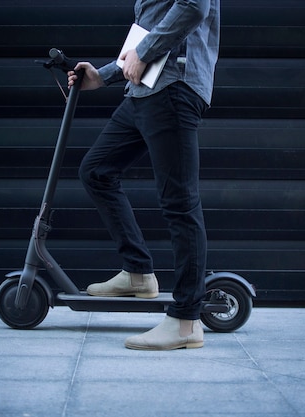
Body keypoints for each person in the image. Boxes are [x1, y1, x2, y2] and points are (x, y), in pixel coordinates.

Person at [67, 0, 219, 350]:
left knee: (179, 203)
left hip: (173, 87)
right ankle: (138, 272)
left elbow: (194, 6)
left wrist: (144, 51)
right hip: (143, 91)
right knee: (97, 171)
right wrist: (104, 75)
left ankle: (185, 321)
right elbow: (150, 27)